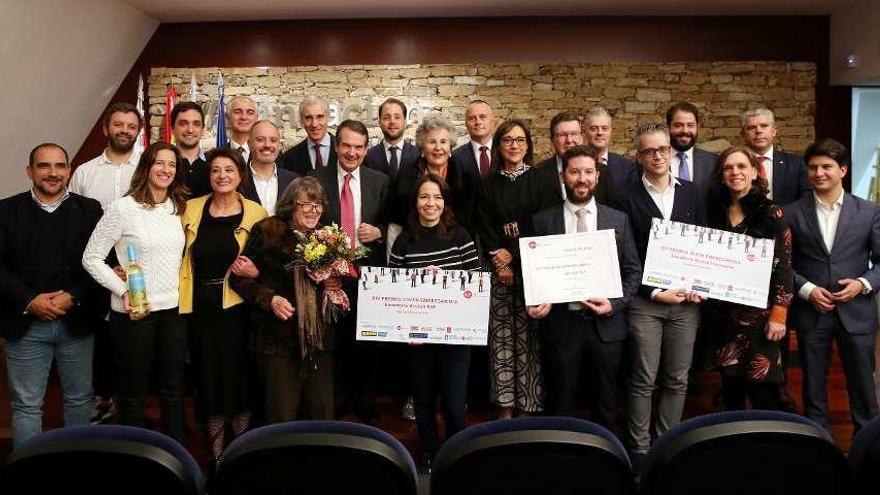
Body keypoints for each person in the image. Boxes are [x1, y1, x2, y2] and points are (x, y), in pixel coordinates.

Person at [528, 145, 641, 433]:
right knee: (561, 402)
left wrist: (614, 303)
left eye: (588, 172)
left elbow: (632, 273)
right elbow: (534, 274)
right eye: (575, 172)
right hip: (562, 325)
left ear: (598, 177)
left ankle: (608, 463)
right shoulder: (543, 220)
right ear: (563, 176)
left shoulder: (618, 219)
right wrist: (539, 300)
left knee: (605, 403)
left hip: (607, 326)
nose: (582, 178)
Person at [82, 142, 189, 441]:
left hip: (173, 312)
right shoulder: (122, 208)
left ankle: (176, 459)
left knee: (173, 389)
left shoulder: (177, 207)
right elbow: (91, 258)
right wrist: (122, 289)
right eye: (159, 162)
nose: (166, 169)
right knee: (133, 393)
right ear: (146, 167)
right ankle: (135, 462)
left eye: (172, 164)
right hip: (134, 314)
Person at [0, 143, 104, 447]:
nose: (53, 173)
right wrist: (29, 300)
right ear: (30, 171)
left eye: (60, 166)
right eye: (44, 166)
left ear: (69, 171)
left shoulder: (90, 210)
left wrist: (72, 295)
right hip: (25, 325)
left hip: (77, 323)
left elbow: (101, 263)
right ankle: (27, 473)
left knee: (80, 400)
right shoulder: (6, 211)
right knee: (27, 406)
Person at [617, 124, 704, 459]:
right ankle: (640, 450)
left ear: (671, 151)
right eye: (649, 151)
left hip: (686, 303)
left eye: (662, 149)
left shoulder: (693, 193)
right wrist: (654, 292)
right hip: (645, 304)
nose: (657, 155)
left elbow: (703, 242)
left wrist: (699, 285)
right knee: (643, 379)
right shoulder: (624, 199)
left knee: (678, 378)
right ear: (639, 156)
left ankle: (667, 445)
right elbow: (626, 255)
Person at [785, 138, 880, 434]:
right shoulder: (790, 212)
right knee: (813, 388)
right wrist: (807, 290)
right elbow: (782, 265)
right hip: (812, 312)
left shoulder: (868, 211)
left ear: (843, 170)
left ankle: (869, 454)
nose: (819, 173)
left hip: (857, 312)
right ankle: (818, 449)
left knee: (864, 388)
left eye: (827, 167)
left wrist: (863, 284)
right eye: (813, 167)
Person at [179, 147, 267, 462]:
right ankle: (216, 458)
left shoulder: (257, 213)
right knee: (210, 383)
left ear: (240, 175)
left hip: (240, 311)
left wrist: (258, 269)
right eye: (216, 170)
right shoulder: (188, 209)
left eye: (229, 170)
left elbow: (268, 260)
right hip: (201, 312)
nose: (222, 176)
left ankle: (240, 456)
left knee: (240, 382)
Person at [388, 174, 481, 472]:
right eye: (424, 197)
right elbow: (394, 288)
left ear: (445, 202)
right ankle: (429, 452)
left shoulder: (460, 236)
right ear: (415, 202)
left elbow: (476, 285)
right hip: (418, 340)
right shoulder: (404, 241)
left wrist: (445, 280)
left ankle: (457, 455)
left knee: (455, 405)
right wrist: (405, 330)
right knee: (424, 403)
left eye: (437, 197)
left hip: (456, 339)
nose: (431, 203)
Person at [230, 176, 340, 422]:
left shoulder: (328, 237)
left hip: (318, 341)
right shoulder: (268, 230)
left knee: (321, 414)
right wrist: (270, 300)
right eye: (306, 204)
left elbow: (333, 282)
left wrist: (333, 286)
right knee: (281, 416)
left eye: (318, 204)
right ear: (291, 204)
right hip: (277, 342)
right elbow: (239, 279)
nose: (314, 211)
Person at [479, 119, 560, 419]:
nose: (514, 146)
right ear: (498, 145)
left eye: (520, 140)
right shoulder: (487, 183)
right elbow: (483, 223)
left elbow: (543, 223)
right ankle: (504, 407)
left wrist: (512, 255)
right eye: (508, 140)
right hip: (497, 271)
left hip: (533, 270)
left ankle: (527, 406)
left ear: (528, 145)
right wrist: (500, 259)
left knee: (529, 340)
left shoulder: (543, 181)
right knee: (501, 341)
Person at [703, 145, 793, 410]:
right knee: (731, 390)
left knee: (763, 390)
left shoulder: (771, 212)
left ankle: (770, 447)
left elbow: (785, 266)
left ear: (755, 171)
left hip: (761, 317)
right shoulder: (714, 210)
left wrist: (779, 314)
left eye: (742, 166)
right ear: (721, 175)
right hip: (723, 316)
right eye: (728, 168)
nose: (735, 172)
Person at [311, 119, 389, 424]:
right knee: (335, 340)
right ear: (337, 145)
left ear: (366, 149)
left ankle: (365, 400)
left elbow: (391, 222)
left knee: (367, 340)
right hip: (330, 277)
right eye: (346, 145)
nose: (351, 152)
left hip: (367, 276)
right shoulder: (317, 179)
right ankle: (339, 399)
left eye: (358, 147)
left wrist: (379, 231)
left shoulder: (379, 181)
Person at [388, 114, 480, 245]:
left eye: (443, 142)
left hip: (456, 246)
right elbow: (396, 223)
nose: (438, 148)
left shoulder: (466, 175)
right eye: (432, 142)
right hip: (416, 245)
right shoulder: (406, 175)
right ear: (422, 147)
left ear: (450, 146)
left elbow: (473, 222)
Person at [536, 111, 620, 206]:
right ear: (552, 139)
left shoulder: (603, 172)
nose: (569, 140)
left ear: (581, 136)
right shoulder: (537, 174)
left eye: (574, 134)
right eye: (563, 135)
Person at [740, 107, 810, 205]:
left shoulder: (796, 164)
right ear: (743, 134)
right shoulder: (735, 166)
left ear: (774, 131)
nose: (758, 131)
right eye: (751, 127)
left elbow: (806, 200)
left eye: (764, 126)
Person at [239, 120, 298, 216]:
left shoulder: (294, 181)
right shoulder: (237, 180)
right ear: (249, 144)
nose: (267, 145)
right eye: (260, 140)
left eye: (273, 140)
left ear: (279, 145)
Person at [665, 101, 717, 200]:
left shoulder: (713, 162)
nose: (685, 130)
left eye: (690, 125)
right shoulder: (655, 160)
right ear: (668, 127)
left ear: (698, 127)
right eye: (678, 125)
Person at [583, 106, 639, 192]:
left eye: (604, 128)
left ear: (611, 131)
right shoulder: (574, 164)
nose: (600, 133)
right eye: (594, 128)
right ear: (585, 131)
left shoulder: (627, 167)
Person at [279, 95, 338, 175]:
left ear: (328, 118)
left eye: (320, 117)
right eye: (308, 118)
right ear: (301, 121)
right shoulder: (290, 157)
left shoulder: (345, 150)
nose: (314, 124)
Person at [364, 97, 419, 178]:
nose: (392, 121)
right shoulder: (368, 156)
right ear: (379, 122)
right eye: (386, 118)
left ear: (405, 122)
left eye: (397, 117)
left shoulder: (417, 155)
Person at [170, 101, 210, 198]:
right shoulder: (162, 164)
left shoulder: (214, 164)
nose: (190, 130)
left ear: (203, 129)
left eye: (196, 124)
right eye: (183, 124)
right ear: (172, 129)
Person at [451, 100, 497, 177]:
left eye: (483, 117)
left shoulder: (504, 152)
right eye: (472, 118)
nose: (478, 122)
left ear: (493, 122)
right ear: (466, 124)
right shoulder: (455, 157)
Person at [225, 96, 258, 164]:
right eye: (237, 112)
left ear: (256, 118)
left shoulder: (269, 154)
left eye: (250, 113)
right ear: (227, 117)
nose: (244, 117)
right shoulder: (213, 155)